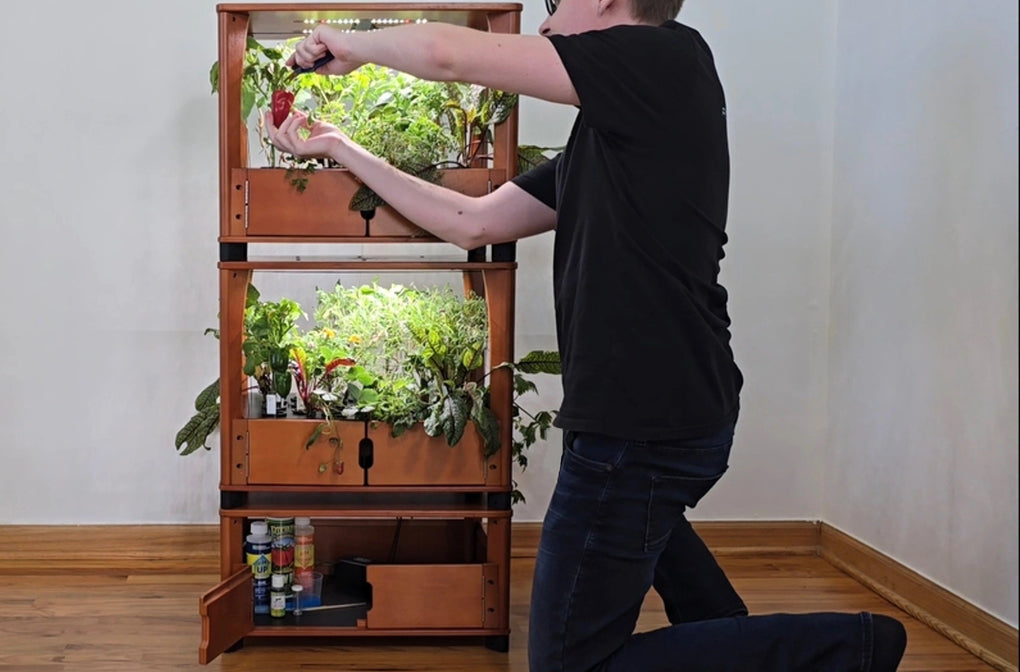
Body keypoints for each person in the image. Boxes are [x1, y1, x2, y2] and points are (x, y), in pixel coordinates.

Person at [264, 0, 909, 670]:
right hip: (662, 413)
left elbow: (450, 55)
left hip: (641, 424)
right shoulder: (610, 135)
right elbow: (471, 221)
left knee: (574, 663)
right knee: (654, 537)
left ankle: (848, 651)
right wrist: (338, 145)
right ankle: (751, 637)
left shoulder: (665, 59)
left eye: (554, 5)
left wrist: (350, 40)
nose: (544, 24)